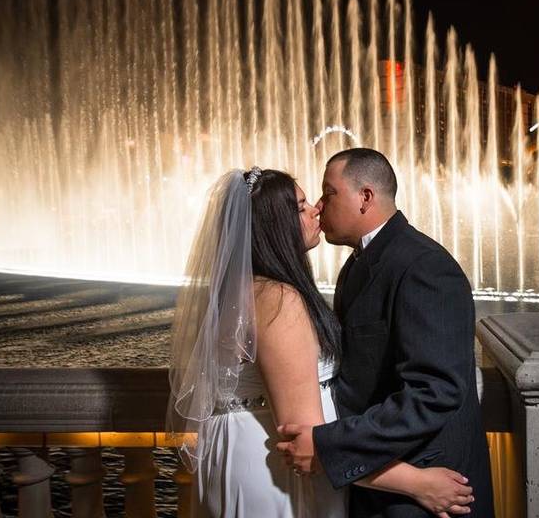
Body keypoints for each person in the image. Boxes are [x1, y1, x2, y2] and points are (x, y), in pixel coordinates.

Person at [167, 167, 474, 517]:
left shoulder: (243, 291)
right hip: (275, 473)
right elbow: (307, 444)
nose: (315, 208)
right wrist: (416, 482)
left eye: (322, 197)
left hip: (246, 456)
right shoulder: (278, 300)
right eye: (300, 207)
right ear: (276, 225)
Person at [277, 149, 494, 517]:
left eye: (328, 193)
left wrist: (333, 445)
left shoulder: (423, 267)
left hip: (428, 490)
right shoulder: (360, 264)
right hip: (384, 482)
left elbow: (435, 392)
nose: (318, 204)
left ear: (365, 198)